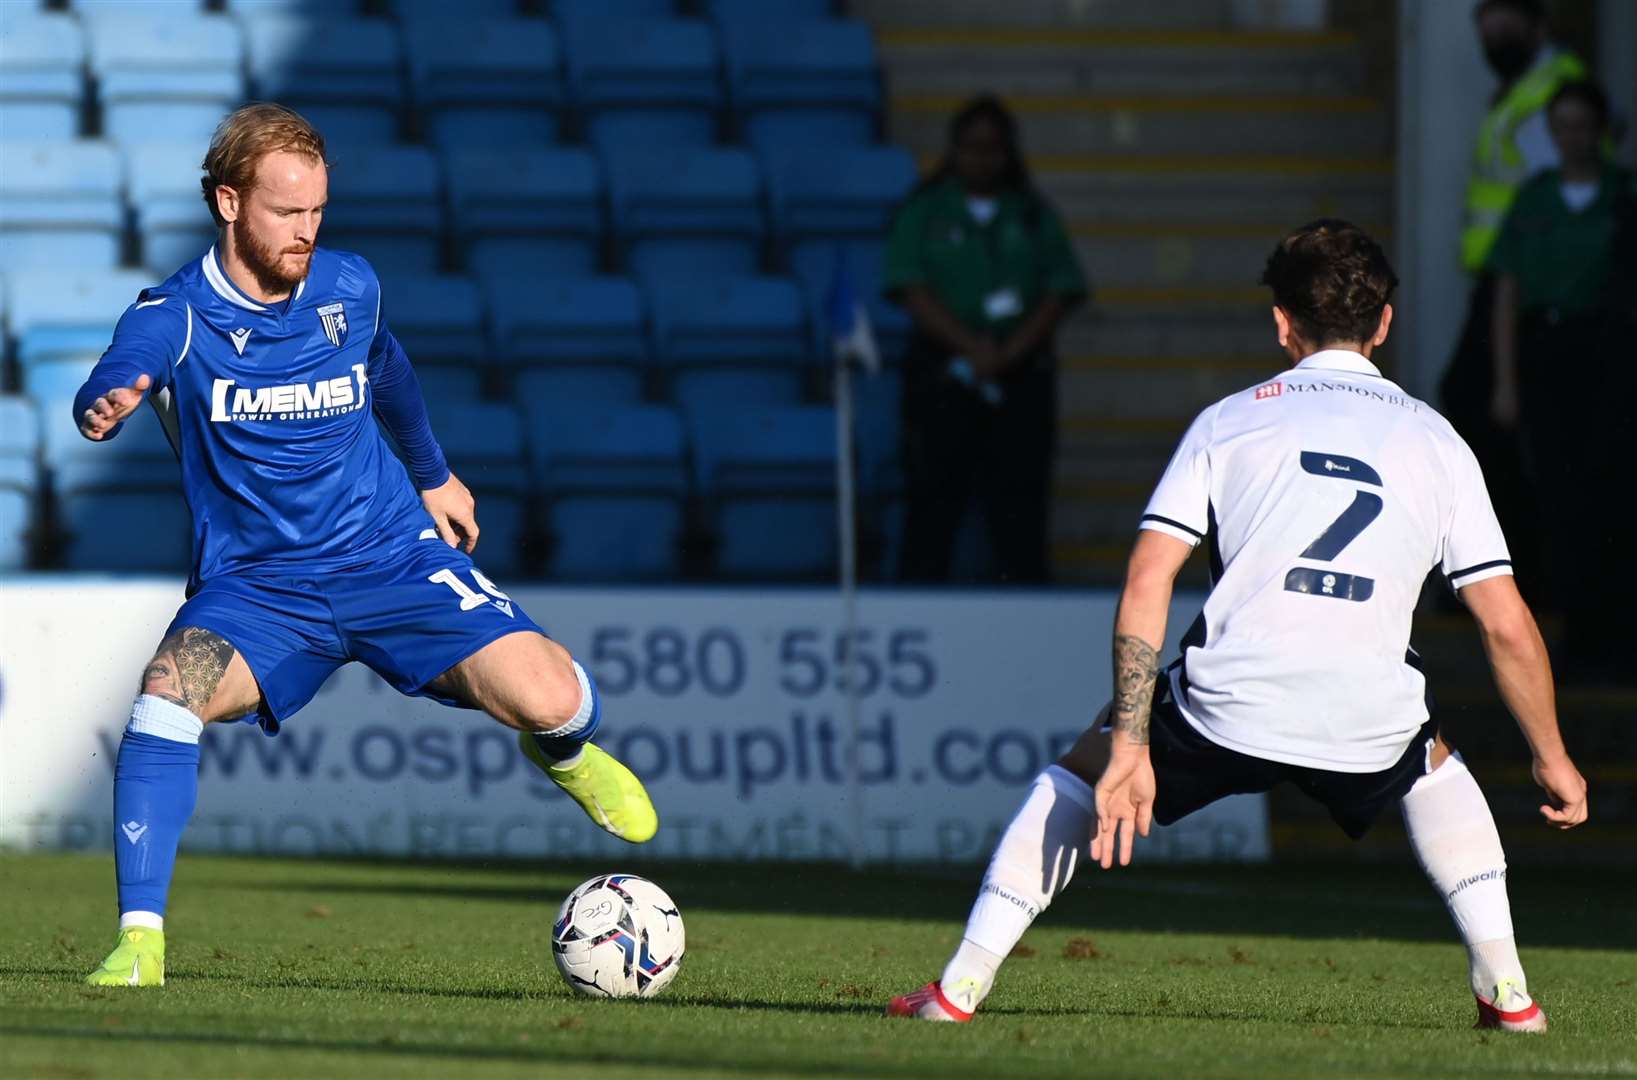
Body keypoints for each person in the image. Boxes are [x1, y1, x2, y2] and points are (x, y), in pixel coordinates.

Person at [887, 221, 1588, 1032]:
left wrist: (1128, 744)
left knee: (1077, 776)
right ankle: (1510, 999)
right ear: (1384, 324)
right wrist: (1552, 756)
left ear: (1280, 322)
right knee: (1432, 767)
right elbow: (1503, 624)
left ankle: (956, 993)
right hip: (1368, 715)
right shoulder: (1439, 442)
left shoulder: (1229, 422)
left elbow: (1149, 577)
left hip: (1230, 700)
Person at [73, 104, 658, 988]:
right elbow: (129, 357)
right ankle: (141, 940)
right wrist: (112, 396)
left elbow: (386, 366)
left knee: (556, 700)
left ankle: (563, 752)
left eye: (316, 212)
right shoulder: (178, 315)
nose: (306, 232)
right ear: (229, 204)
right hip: (260, 589)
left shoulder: (350, 285)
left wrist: (432, 474)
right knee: (165, 696)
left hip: (392, 558)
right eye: (285, 213)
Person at [882, 95, 1087, 585]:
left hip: (1019, 376)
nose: (982, 158)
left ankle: (1024, 606)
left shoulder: (1033, 214)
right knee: (933, 499)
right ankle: (921, 600)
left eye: (992, 148)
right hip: (943, 373)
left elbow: (1061, 290)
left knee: (1019, 504)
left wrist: (1007, 354)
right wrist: (970, 351)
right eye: (972, 147)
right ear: (954, 150)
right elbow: (909, 287)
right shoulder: (926, 211)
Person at [1489, 81, 1637, 684]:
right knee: (1559, 494)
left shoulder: (1624, 196)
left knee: (1614, 490)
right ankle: (1573, 637)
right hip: (1549, 353)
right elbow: (1507, 290)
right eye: (1562, 125)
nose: (1573, 136)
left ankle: (1615, 635)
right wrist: (1504, 380)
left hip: (1612, 352)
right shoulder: (1535, 199)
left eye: (1582, 123)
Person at [1438, 0, 1586, 598]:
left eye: (1506, 16)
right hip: (1502, 284)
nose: (1493, 29)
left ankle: (1512, 573)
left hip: (1527, 292)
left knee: (1492, 420)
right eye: (1485, 17)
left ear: (1536, 21)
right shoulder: (1520, 90)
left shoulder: (1552, 91)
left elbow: (1552, 199)